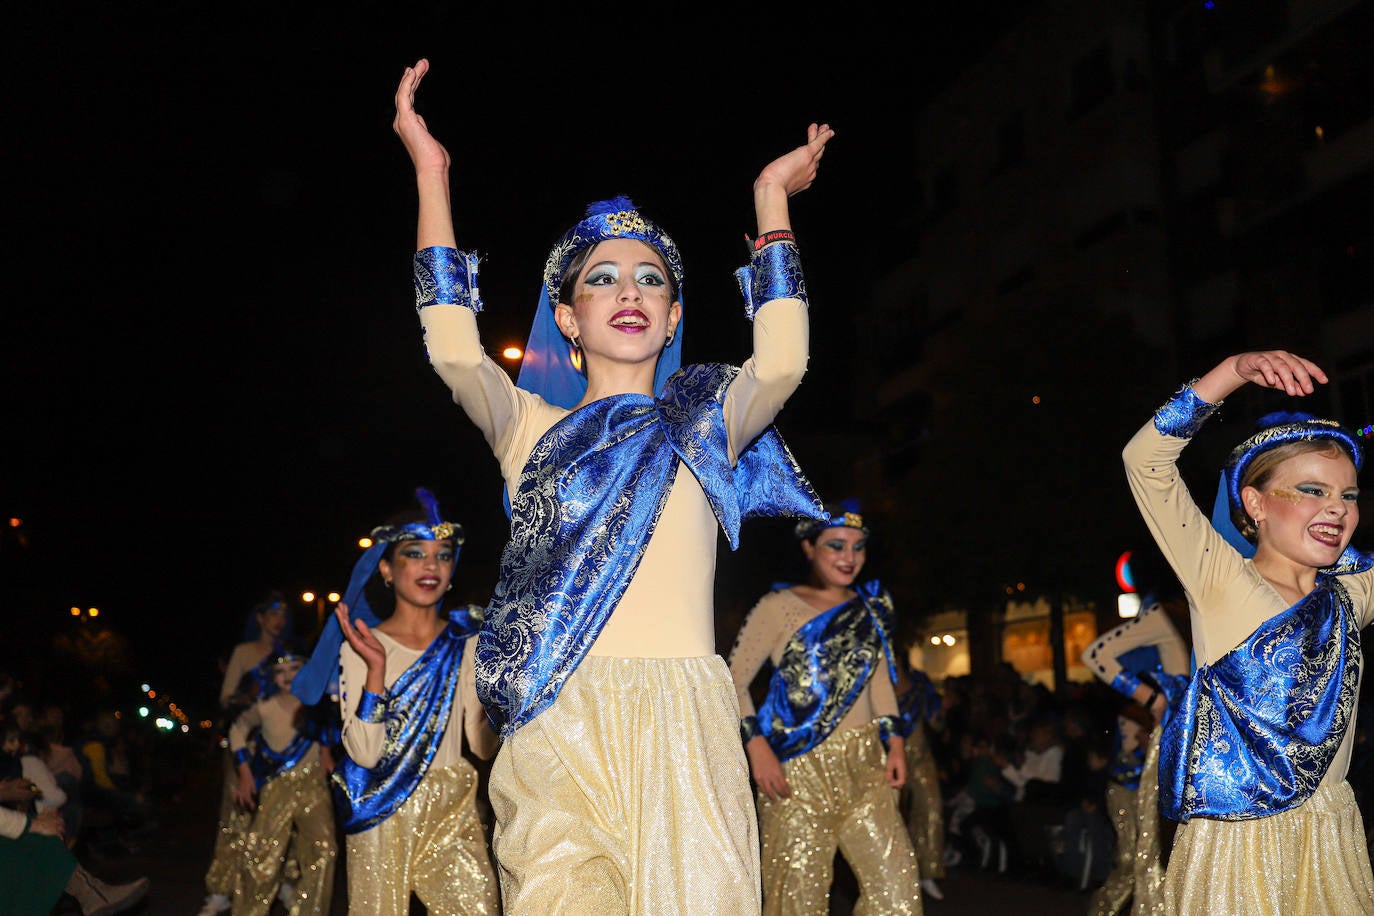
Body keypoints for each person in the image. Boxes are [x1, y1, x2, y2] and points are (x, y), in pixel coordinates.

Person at [393, 56, 833, 913]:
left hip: (685, 724)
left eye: (650, 280)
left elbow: (783, 359)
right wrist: (430, 170)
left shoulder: (709, 420)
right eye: (601, 278)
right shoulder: (529, 427)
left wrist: (772, 200)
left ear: (672, 316)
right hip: (557, 720)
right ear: (568, 316)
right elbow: (452, 348)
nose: (627, 291)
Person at [1124, 349, 1374, 913]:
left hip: (1334, 836)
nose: (1336, 508)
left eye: (1348, 495)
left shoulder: (1353, 595)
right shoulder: (1220, 578)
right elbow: (1145, 462)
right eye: (1312, 490)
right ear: (1254, 503)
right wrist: (1232, 373)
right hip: (1238, 848)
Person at [292, 489, 499, 915]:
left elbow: (480, 746)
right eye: (415, 553)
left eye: (443, 555)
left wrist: (497, 684)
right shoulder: (363, 645)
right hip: (381, 807)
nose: (431, 565)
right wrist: (375, 669)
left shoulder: (466, 638)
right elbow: (365, 754)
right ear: (386, 569)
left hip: (453, 800)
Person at [727, 505, 922, 914]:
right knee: (797, 901)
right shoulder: (777, 605)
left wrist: (897, 743)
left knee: (899, 896)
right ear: (809, 548)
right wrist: (756, 748)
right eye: (836, 546)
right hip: (798, 774)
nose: (849, 557)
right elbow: (733, 682)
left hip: (867, 768)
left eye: (858, 547)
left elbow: (880, 681)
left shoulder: (871, 608)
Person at [1080, 596, 1190, 915]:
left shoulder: (1212, 607)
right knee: (1149, 854)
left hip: (1208, 746)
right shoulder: (1166, 614)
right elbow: (1096, 654)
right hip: (1169, 747)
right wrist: (1154, 700)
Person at [199, 593, 298, 916]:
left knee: (281, 816)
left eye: (283, 614)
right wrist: (251, 693)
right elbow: (226, 699)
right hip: (248, 746)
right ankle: (221, 890)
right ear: (259, 618)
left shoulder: (289, 655)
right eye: (272, 614)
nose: (278, 620)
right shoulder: (244, 652)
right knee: (236, 816)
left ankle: (284, 880)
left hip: (282, 750)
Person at [227, 651, 337, 915]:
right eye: (280, 671)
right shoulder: (265, 706)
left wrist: (325, 754)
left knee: (324, 851)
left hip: (312, 785)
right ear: (272, 676)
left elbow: (325, 730)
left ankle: (309, 910)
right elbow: (237, 729)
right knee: (263, 856)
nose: (288, 676)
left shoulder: (315, 704)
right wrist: (244, 772)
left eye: (295, 668)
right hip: (277, 786)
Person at [0, 749, 149, 916]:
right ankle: (91, 894)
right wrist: (30, 824)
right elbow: (54, 796)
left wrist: (6, 792)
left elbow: (43, 791)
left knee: (43, 834)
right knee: (38, 838)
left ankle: (91, 893)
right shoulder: (29, 760)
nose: (13, 746)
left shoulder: (20, 762)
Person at [895, 657, 947, 901]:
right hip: (888, 760)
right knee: (891, 819)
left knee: (931, 809)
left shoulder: (919, 685)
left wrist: (939, 711)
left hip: (920, 757)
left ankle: (928, 871)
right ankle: (896, 876)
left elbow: (936, 723)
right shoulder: (876, 684)